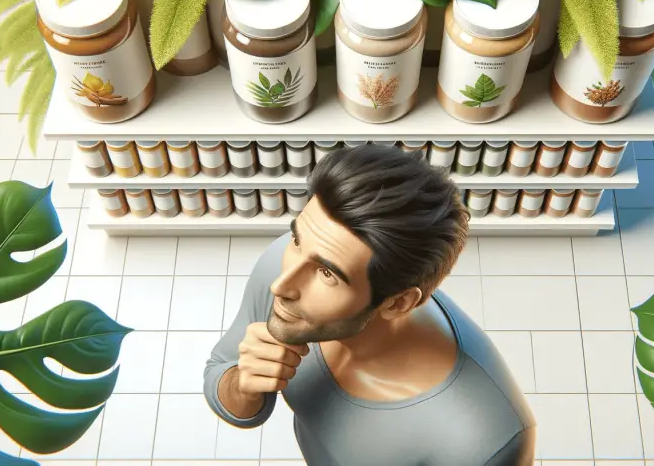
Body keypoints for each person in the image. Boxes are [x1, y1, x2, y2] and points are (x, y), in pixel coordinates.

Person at [203, 144, 537, 466]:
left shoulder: (486, 440)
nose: (282, 284)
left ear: (397, 303)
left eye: (327, 274)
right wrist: (243, 384)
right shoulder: (285, 265)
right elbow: (223, 370)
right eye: (297, 239)